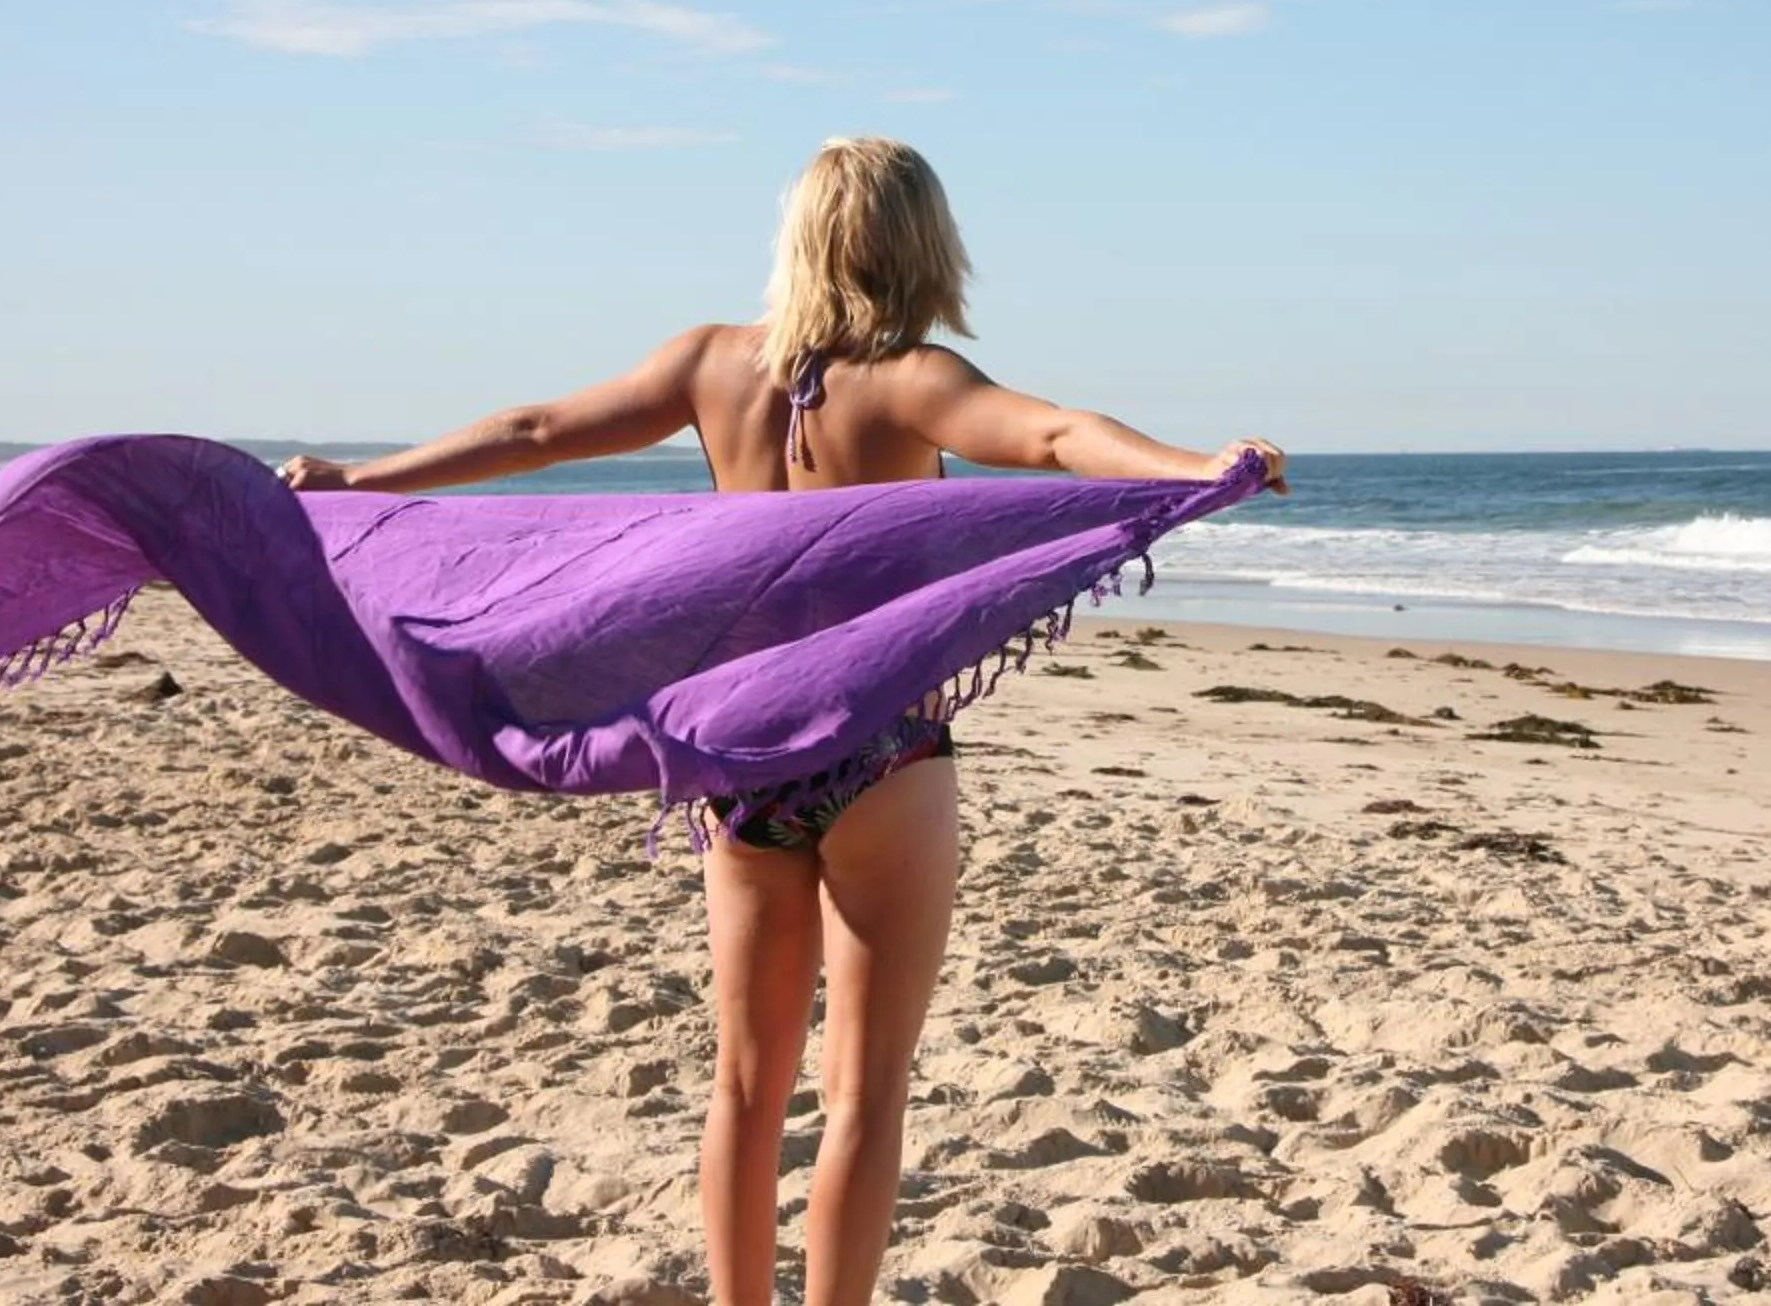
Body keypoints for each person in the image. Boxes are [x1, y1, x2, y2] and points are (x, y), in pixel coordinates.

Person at [275, 136, 1284, 1306]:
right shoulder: (915, 379)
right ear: (921, 243)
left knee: (746, 1087)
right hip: (881, 753)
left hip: (741, 755)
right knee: (864, 1092)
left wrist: (362, 481)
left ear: (799, 236)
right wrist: (1197, 466)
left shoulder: (711, 363)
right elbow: (1058, 436)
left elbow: (538, 427)